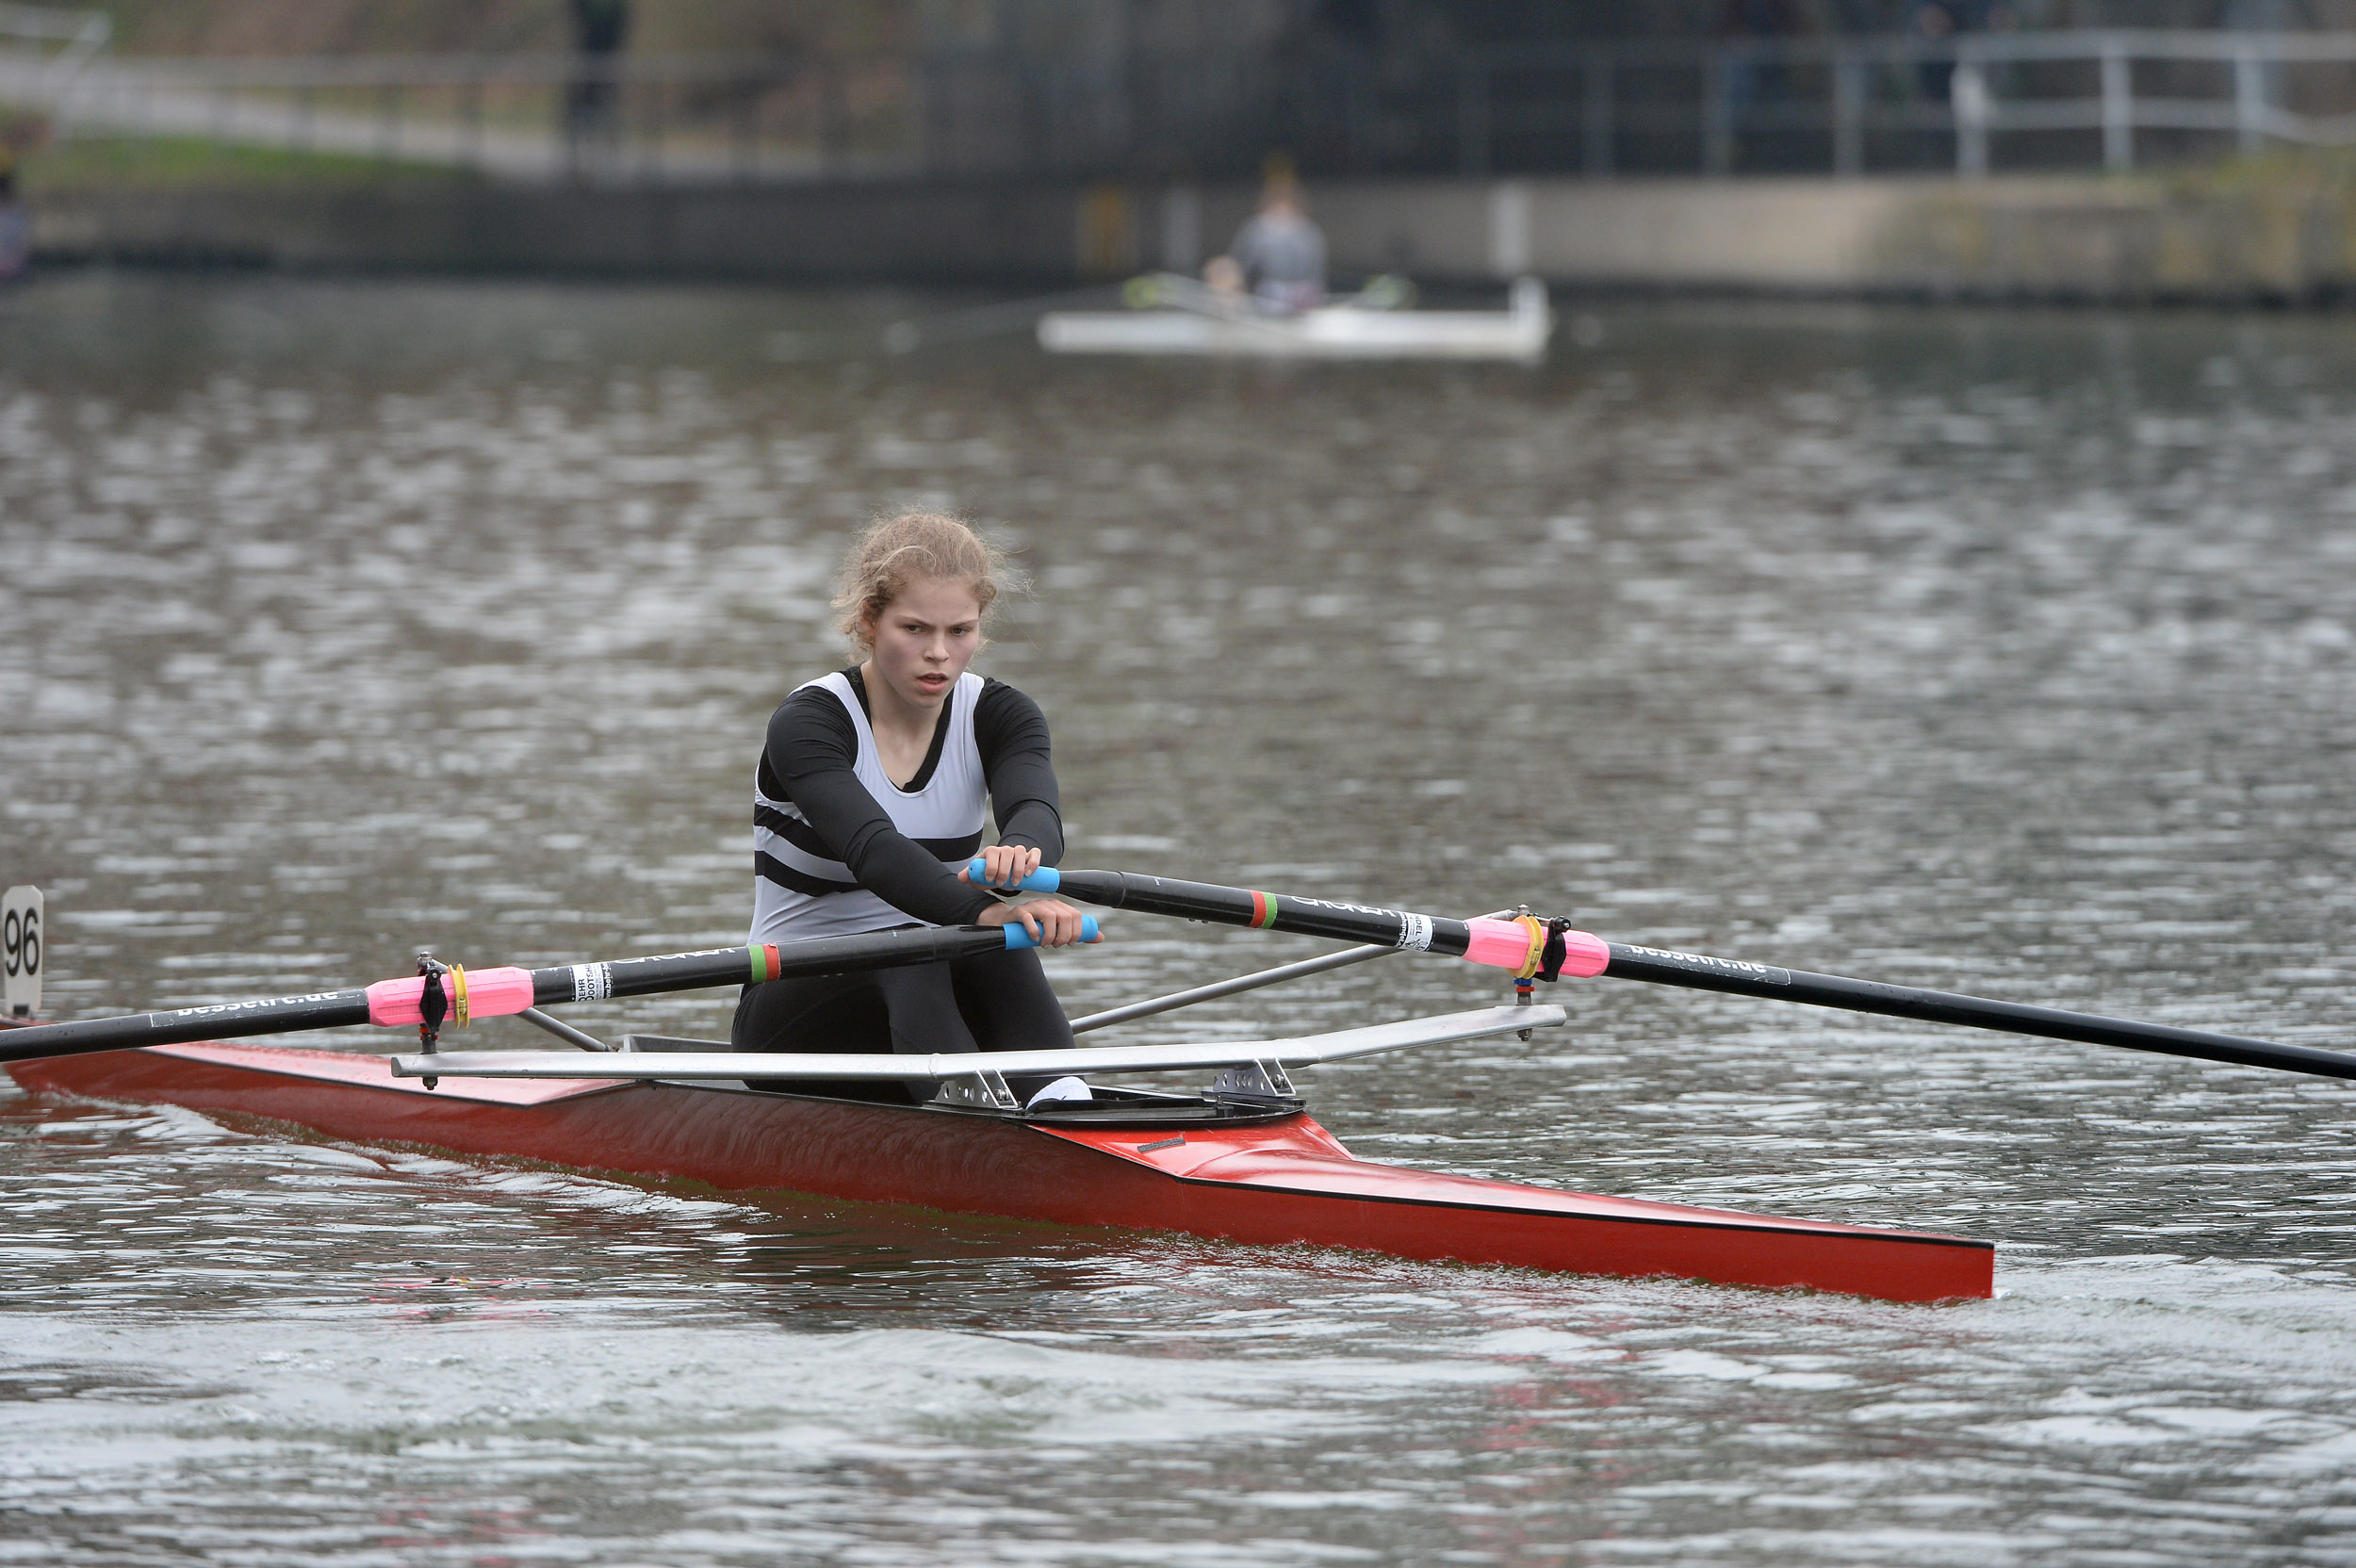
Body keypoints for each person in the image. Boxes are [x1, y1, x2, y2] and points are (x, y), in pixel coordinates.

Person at [731, 512, 1094, 1105]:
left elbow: (1036, 808)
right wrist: (982, 912)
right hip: (792, 1019)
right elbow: (873, 851)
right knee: (926, 943)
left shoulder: (1002, 715)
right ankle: (972, 1118)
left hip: (928, 1004)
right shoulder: (810, 722)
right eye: (915, 629)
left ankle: (1061, 1098)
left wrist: (1022, 854)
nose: (939, 655)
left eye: (960, 631)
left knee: (994, 943)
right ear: (869, 621)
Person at [1206, 172, 1326, 312]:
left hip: (1303, 295)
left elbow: (1316, 272)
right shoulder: (1256, 230)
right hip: (1267, 294)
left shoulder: (1308, 231)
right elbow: (1240, 264)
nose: (1282, 211)